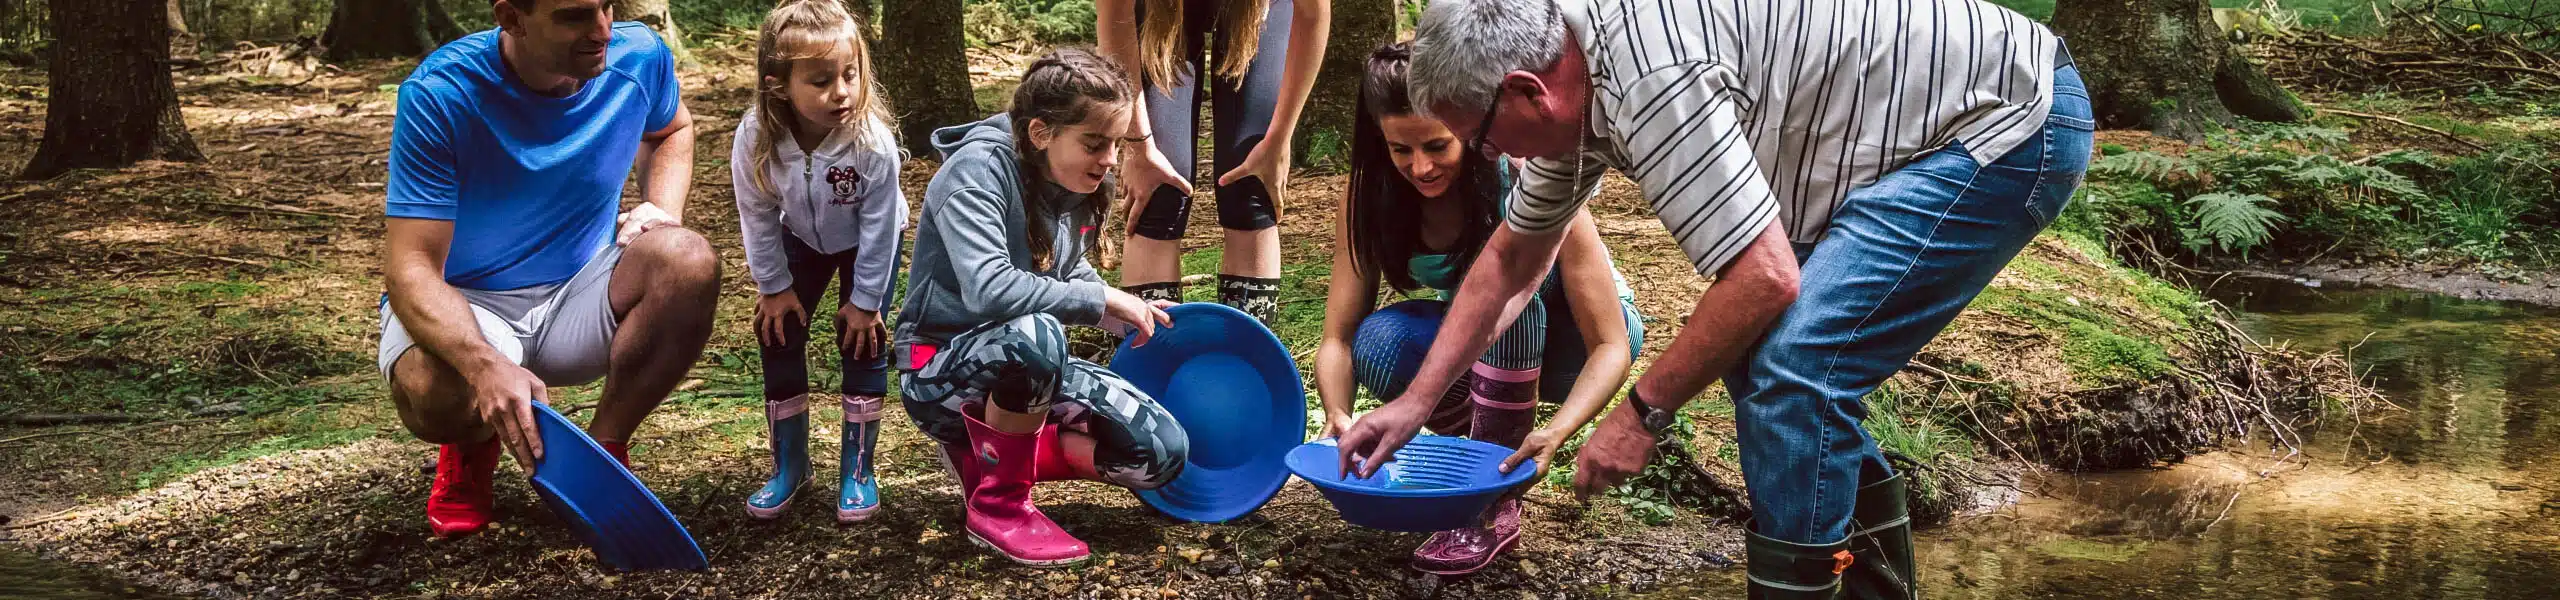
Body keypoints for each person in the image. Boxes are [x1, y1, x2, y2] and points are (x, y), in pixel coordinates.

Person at [1338, 0, 2092, 596]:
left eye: (1485, 135)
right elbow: (1510, 260)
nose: (1492, 157)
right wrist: (1415, 402)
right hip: (1900, 128)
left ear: (1529, 90)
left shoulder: (1649, 78)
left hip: (2002, 119)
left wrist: (1639, 415)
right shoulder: (1567, 74)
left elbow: (1765, 277)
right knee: (1759, 360)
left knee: (1799, 371)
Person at [379, 0, 712, 539]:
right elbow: (410, 266)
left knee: (688, 257)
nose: (602, 29)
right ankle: (469, 448)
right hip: (470, 301)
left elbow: (671, 128)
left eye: (606, 6)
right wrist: (484, 365)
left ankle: (600, 457)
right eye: (575, 15)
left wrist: (662, 211)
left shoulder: (639, 56)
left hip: (580, 291)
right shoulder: (441, 94)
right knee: (433, 392)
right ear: (511, 18)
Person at [1312, 42, 1641, 576]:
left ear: (1466, 123)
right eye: (1400, 150)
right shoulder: (1368, 196)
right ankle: (1485, 448)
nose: (1420, 167)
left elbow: (1611, 344)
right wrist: (1336, 415)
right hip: (1490, 347)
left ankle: (1487, 502)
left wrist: (1557, 431)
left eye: (1437, 145)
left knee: (1512, 302)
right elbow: (1338, 340)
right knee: (1379, 343)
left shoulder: (1528, 176)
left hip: (1572, 347)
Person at [895, 48, 1190, 568]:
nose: (1110, 160)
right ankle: (999, 506)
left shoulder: (1074, 182)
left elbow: (1068, 271)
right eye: (1095, 144)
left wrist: (1117, 310)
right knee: (1035, 336)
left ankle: (988, 456)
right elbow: (989, 290)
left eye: (1116, 145)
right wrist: (1100, 298)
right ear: (1040, 133)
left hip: (1026, 368)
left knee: (1160, 454)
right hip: (935, 369)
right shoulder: (976, 172)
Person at [730, 0, 906, 524]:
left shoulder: (871, 142)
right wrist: (773, 285)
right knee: (778, 331)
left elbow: (878, 226)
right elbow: (757, 211)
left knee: (864, 340)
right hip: (799, 239)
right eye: (822, 80)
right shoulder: (757, 137)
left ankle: (858, 467)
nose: (842, 91)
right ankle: (791, 464)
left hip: (867, 244)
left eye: (850, 74)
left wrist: (865, 301)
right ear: (779, 85)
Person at [1094, 0, 1330, 323]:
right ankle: (1147, 359)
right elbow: (1113, 17)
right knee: (1159, 186)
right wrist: (1138, 144)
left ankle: (1246, 359)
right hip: (1159, 10)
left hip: (1257, 8)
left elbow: (1314, 15)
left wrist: (1278, 139)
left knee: (1250, 179)